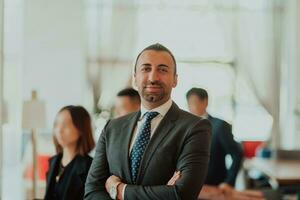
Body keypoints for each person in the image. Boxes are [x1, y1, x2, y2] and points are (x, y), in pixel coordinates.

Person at [84, 43, 212, 200]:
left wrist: (119, 190)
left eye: (163, 70)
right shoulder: (113, 128)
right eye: (146, 69)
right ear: (135, 78)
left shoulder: (195, 127)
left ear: (175, 80)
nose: (153, 77)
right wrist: (162, 192)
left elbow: (181, 194)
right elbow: (91, 190)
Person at [186, 88, 264, 200]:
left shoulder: (220, 126)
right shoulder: (184, 127)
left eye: (195, 102)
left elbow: (237, 154)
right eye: (189, 103)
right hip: (190, 187)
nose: (191, 107)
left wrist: (229, 182)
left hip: (216, 187)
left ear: (205, 102)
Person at [44, 105, 95, 200]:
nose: (59, 130)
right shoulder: (53, 161)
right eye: (56, 124)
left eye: (65, 125)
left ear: (81, 129)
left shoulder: (90, 167)